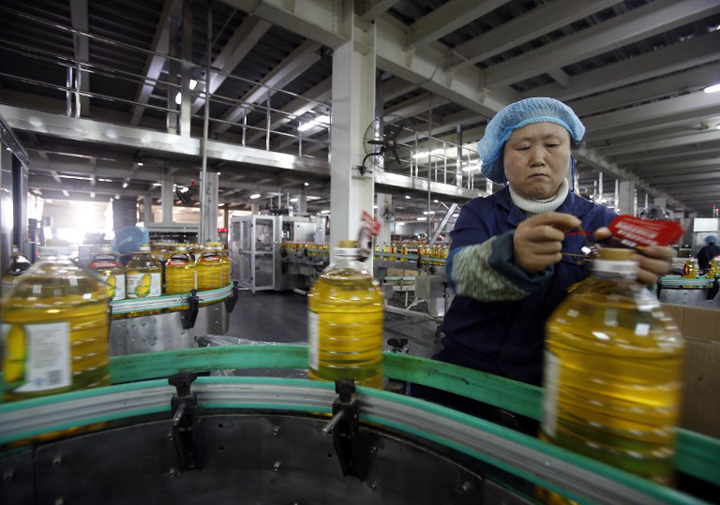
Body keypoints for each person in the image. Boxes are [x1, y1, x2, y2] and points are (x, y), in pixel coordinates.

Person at [412, 97, 673, 426]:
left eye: (552, 144)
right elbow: (460, 273)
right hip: (468, 377)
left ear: (570, 153)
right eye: (522, 147)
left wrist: (635, 277)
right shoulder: (479, 213)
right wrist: (512, 256)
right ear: (501, 159)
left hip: (556, 386)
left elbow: (617, 314)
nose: (538, 158)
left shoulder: (602, 222)